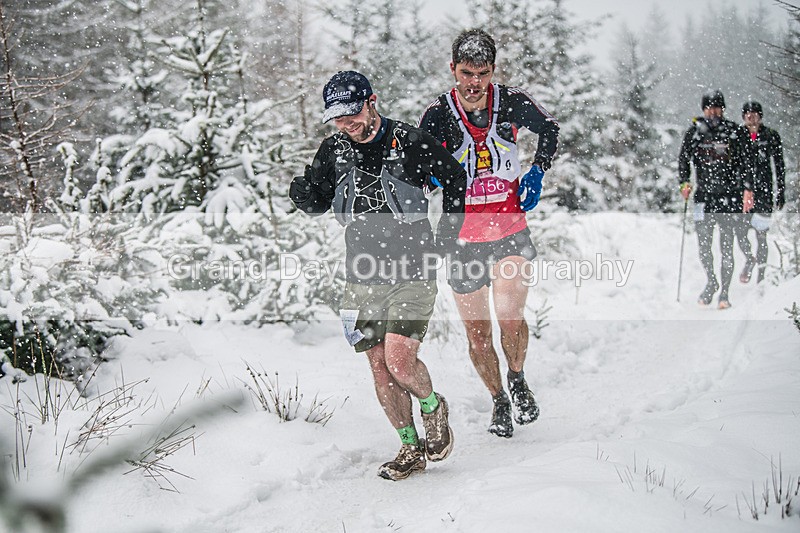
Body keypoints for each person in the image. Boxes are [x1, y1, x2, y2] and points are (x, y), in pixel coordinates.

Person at [289, 71, 467, 481]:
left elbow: (456, 179)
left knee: (400, 361)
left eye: (352, 115)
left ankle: (432, 406)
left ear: (372, 101)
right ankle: (409, 447)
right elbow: (318, 201)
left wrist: (448, 232)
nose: (346, 126)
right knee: (379, 368)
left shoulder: (410, 142)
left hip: (413, 268)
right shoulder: (333, 149)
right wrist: (303, 197)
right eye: (337, 119)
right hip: (362, 274)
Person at [418, 29, 559, 438]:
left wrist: (537, 170)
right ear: (453, 70)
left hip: (510, 228)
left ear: (493, 70)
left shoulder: (510, 101)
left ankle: (517, 377)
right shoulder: (438, 114)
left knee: (510, 320)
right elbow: (419, 166)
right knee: (478, 333)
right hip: (462, 236)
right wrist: (426, 182)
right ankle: (498, 399)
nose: (475, 83)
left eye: (482, 73)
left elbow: (549, 127)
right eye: (466, 73)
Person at [678, 90, 748, 309]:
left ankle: (724, 293)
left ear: (723, 109)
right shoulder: (694, 132)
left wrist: (747, 189)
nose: (713, 111)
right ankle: (711, 281)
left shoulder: (734, 131)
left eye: (717, 107)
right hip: (703, 198)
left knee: (726, 247)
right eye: (709, 108)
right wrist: (684, 182)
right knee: (704, 248)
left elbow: (745, 163)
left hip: (729, 198)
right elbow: (683, 159)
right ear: (703, 110)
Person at [736, 101, 786, 284]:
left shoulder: (770, 135)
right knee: (740, 232)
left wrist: (781, 191)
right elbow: (732, 165)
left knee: (761, 235)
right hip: (743, 194)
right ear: (743, 117)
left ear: (761, 116)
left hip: (764, 192)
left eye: (755, 114)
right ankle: (749, 258)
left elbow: (779, 166)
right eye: (748, 114)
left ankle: (761, 278)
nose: (752, 117)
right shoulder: (737, 136)